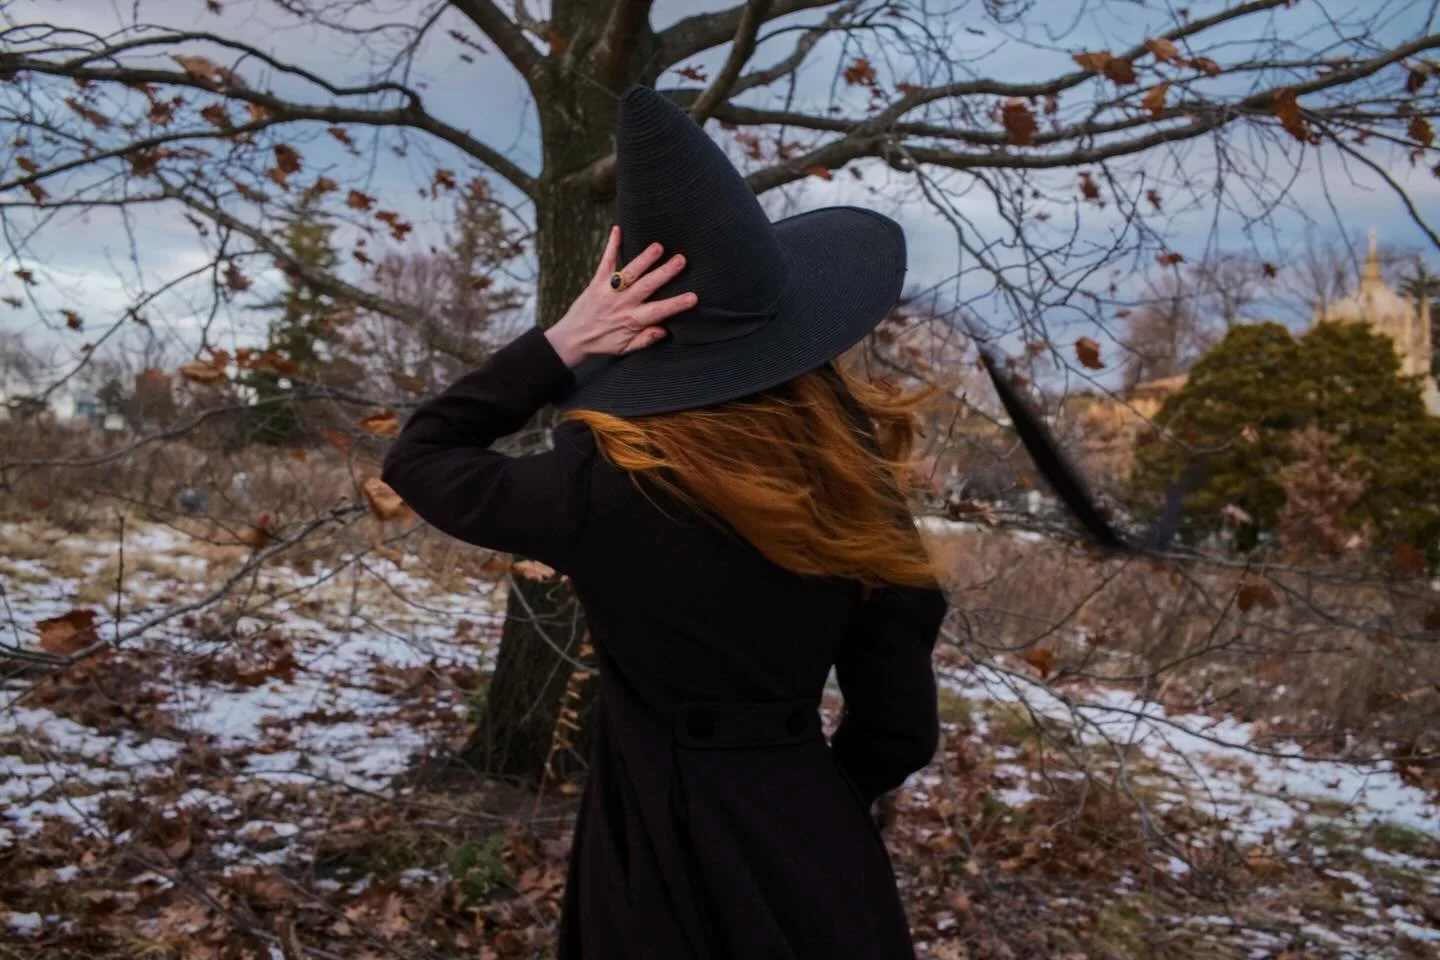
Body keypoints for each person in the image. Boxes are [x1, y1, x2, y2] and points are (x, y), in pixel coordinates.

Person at [383, 85, 948, 960]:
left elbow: (420, 456)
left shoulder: (597, 489)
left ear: (641, 333)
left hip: (656, 852)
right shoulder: (855, 479)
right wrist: (816, 800)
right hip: (817, 856)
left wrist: (560, 344)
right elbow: (900, 729)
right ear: (798, 324)